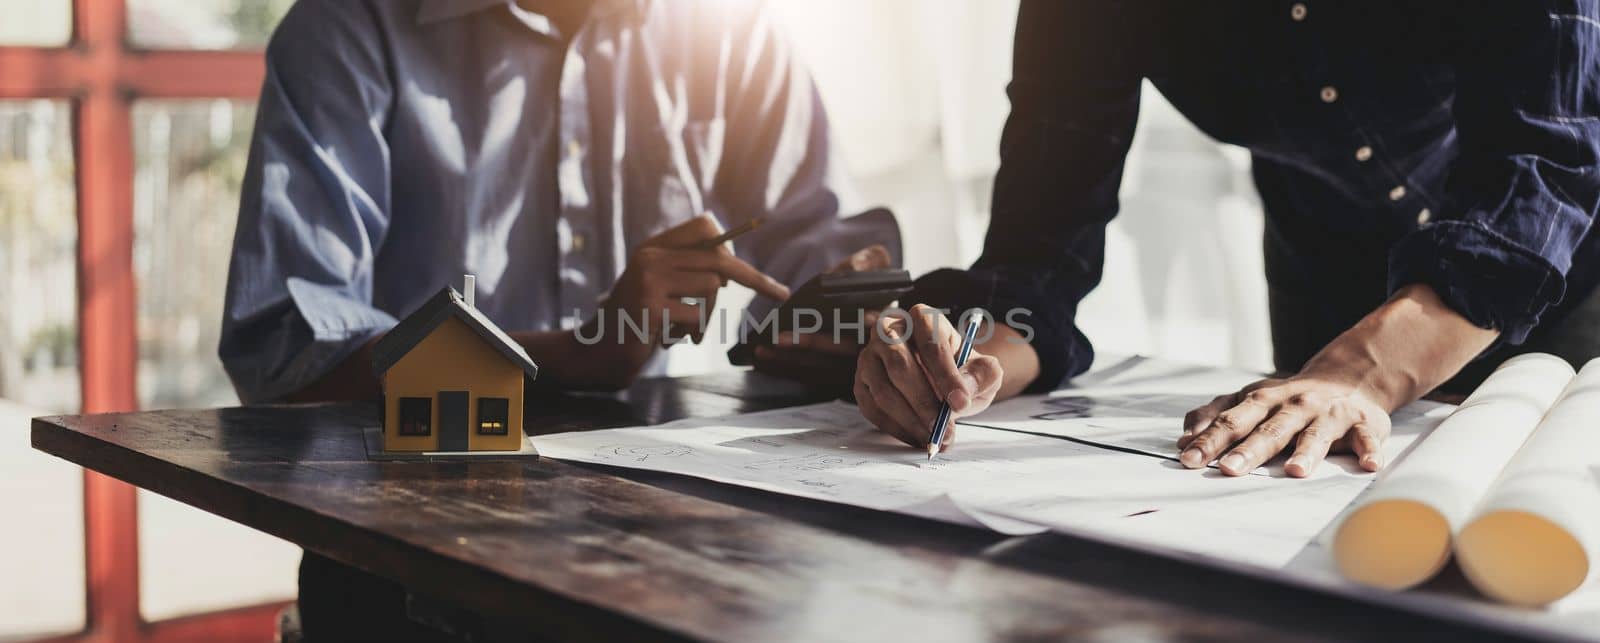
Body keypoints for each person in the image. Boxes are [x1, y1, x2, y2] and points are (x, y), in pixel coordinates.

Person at [218, 0, 893, 638]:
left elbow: (821, 243)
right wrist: (579, 351)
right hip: (403, 579)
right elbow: (288, 348)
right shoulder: (352, 25)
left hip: (658, 557)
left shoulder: (728, 27)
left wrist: (870, 325)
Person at [853, 1, 1600, 478]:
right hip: (1332, 285)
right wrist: (963, 366)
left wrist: (1366, 371)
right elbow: (1035, 253)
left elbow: (1546, 164)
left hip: (1566, 274)